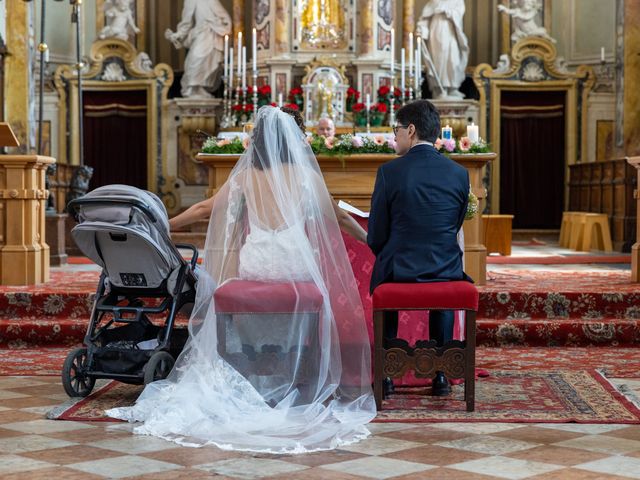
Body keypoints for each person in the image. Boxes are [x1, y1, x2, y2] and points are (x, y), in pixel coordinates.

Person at [107, 106, 375, 453]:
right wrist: (370, 240)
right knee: (319, 290)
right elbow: (336, 216)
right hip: (294, 263)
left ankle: (245, 368)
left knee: (237, 280)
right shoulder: (303, 174)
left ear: (258, 140)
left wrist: (163, 225)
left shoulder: (247, 176)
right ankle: (302, 377)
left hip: (257, 263)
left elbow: (205, 209)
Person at [367, 100, 471, 397]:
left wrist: (389, 251)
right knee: (443, 277)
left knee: (386, 271)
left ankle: (386, 376)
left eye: (396, 130)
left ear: (410, 130)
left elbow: (376, 235)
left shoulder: (389, 172)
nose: (394, 137)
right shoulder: (459, 174)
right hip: (445, 267)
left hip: (400, 268)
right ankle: (440, 375)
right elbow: (454, 224)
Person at [165, 0, 231, 98]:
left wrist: (221, 25)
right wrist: (177, 35)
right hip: (200, 34)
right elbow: (186, 23)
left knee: (208, 63)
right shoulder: (190, 1)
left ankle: (199, 88)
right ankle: (192, 88)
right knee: (195, 59)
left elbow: (225, 18)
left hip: (213, 35)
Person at [416, 0, 469, 99]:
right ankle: (439, 89)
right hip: (436, 30)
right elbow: (425, 19)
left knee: (453, 59)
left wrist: (446, 11)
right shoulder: (434, 1)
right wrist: (421, 29)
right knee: (439, 60)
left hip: (451, 29)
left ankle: (453, 88)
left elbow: (459, 13)